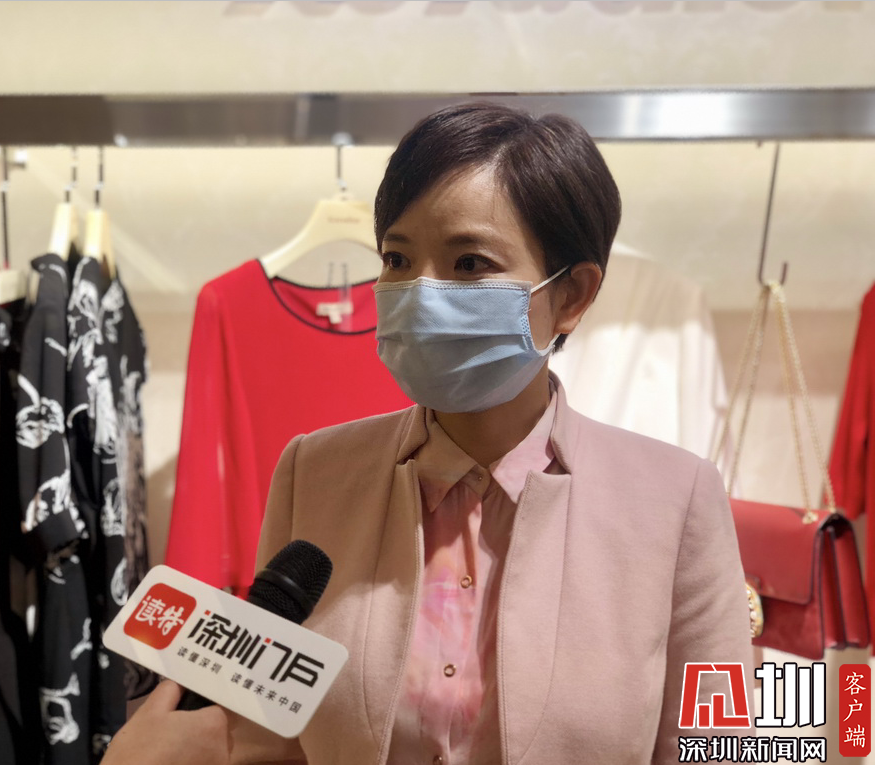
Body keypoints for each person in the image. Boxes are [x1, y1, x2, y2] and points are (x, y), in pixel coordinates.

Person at [103, 103, 753, 765]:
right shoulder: (313, 473)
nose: (418, 293)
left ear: (572, 295)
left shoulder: (675, 501)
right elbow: (272, 741)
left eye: (469, 263)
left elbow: (719, 748)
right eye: (397, 257)